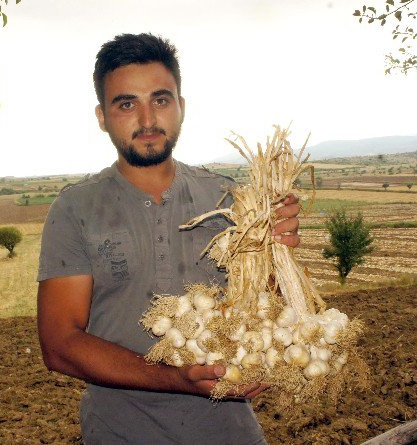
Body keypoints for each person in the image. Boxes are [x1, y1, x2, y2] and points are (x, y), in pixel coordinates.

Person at [36, 33, 301, 445]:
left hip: (230, 432)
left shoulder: (231, 201)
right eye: (126, 104)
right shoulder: (76, 209)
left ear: (182, 107)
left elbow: (264, 309)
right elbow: (60, 344)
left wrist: (279, 253)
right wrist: (174, 378)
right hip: (118, 433)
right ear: (102, 116)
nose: (146, 120)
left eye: (161, 100)